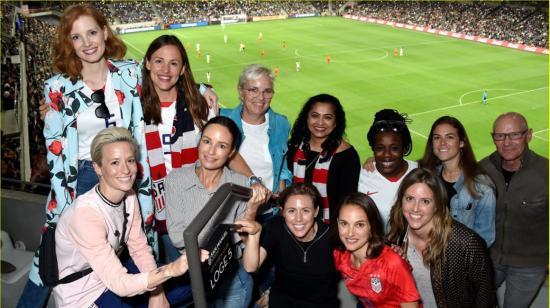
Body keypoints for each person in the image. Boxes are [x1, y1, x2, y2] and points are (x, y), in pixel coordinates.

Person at [18, 5, 153, 307]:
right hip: (80, 179)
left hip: (125, 174)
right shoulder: (58, 87)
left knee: (132, 249)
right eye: (77, 37)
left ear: (104, 32)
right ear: (69, 44)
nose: (87, 42)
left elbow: (166, 84)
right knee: (55, 261)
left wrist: (203, 88)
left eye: (92, 32)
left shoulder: (130, 73)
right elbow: (56, 144)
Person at [53, 127, 208, 308]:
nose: (125, 170)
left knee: (196, 278)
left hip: (113, 274)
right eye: (114, 163)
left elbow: (139, 248)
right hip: (84, 294)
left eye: (130, 160)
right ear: (98, 168)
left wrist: (156, 292)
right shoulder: (85, 214)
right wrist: (169, 271)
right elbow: (120, 284)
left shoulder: (129, 196)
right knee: (176, 276)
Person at [165, 116, 269, 308]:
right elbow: (178, 236)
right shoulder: (175, 180)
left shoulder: (240, 184)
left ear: (231, 152)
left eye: (221, 146)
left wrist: (252, 208)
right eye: (207, 141)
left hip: (231, 277)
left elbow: (243, 236)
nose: (211, 151)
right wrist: (223, 237)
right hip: (191, 278)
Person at [141, 35, 218, 262]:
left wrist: (202, 88)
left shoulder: (201, 106)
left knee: (197, 280)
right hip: (150, 212)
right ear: (146, 63)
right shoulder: (132, 106)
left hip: (193, 209)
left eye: (174, 63)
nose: (166, 69)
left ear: (183, 68)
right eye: (159, 61)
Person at [387, 168, 494, 307]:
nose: (415, 208)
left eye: (425, 201)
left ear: (437, 205)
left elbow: (485, 297)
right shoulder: (396, 234)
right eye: (409, 199)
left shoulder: (466, 242)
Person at [479, 112, 548, 308]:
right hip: (488, 259)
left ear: (529, 135)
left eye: (515, 135)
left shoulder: (546, 173)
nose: (506, 142)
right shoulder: (482, 169)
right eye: (499, 136)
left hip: (529, 265)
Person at [238, 183, 340, 308]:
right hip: (283, 302)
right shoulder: (276, 227)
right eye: (291, 211)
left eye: (305, 210)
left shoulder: (332, 237)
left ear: (316, 211)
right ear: (283, 212)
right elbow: (250, 267)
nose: (298, 219)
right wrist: (254, 234)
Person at [220, 64, 291, 207]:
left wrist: (282, 195)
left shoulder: (281, 124)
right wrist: (204, 88)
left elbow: (281, 164)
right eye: (253, 90)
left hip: (270, 211)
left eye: (267, 91)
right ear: (241, 92)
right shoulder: (222, 121)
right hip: (231, 210)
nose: (261, 97)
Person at [420, 116, 496, 246]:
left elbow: (485, 238)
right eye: (437, 137)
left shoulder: (481, 187)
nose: (442, 143)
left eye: (449, 137)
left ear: (461, 143)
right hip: (425, 258)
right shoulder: (425, 177)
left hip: (461, 262)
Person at [334, 193, 420, 307]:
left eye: (359, 225)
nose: (350, 233)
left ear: (372, 226)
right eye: (344, 223)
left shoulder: (392, 263)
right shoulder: (340, 255)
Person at [288, 93, 360, 223]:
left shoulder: (347, 155)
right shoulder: (294, 147)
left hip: (329, 228)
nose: (320, 122)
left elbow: (347, 200)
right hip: (294, 222)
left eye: (328, 117)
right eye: (314, 115)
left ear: (336, 122)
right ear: (306, 118)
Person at [358, 109, 418, 232]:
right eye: (380, 148)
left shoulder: (420, 173)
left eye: (394, 148)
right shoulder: (361, 178)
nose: (386, 155)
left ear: (405, 149)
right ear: (373, 149)